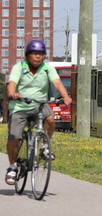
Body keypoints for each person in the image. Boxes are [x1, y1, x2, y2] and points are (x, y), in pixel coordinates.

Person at [5, 39, 72, 185]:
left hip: (39, 105)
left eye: (41, 54)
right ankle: (12, 166)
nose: (38, 57)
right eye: (34, 54)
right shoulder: (19, 67)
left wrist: (66, 96)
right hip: (20, 106)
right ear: (27, 55)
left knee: (50, 119)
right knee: (14, 136)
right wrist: (12, 93)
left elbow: (57, 82)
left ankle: (44, 147)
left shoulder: (47, 68)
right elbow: (12, 84)